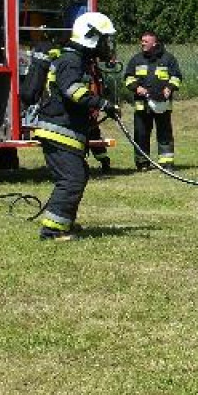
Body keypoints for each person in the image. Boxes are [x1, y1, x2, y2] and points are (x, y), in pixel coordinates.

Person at [31, 12, 121, 241]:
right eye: (104, 40)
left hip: (63, 128)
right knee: (71, 179)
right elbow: (72, 91)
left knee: (77, 175)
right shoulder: (71, 61)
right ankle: (52, 231)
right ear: (91, 37)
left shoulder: (77, 59)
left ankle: (64, 223)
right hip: (58, 129)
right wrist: (102, 103)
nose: (106, 45)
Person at [123, 32, 183, 170]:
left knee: (164, 133)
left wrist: (170, 87)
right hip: (142, 105)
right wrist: (136, 87)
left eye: (145, 41)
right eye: (142, 41)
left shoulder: (168, 59)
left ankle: (166, 163)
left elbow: (177, 76)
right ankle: (142, 163)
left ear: (154, 43)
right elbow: (128, 77)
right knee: (141, 134)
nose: (142, 43)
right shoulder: (136, 59)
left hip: (163, 104)